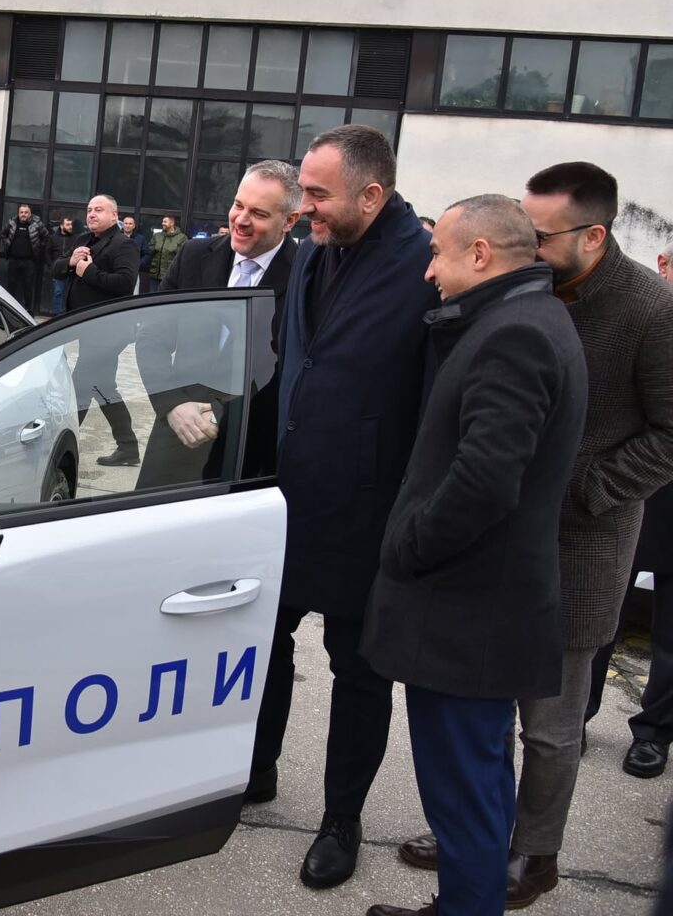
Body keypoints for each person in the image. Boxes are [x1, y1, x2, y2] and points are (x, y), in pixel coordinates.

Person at [398, 163, 673, 907]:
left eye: (542, 234)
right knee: (481, 707)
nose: (526, 241)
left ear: (594, 236)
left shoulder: (650, 309)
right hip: (502, 536)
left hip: (582, 542)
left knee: (551, 725)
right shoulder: (527, 292)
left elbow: (671, 433)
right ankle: (477, 837)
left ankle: (534, 851)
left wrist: (585, 489)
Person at [363, 195, 588, 916]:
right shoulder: (528, 316)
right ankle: (467, 902)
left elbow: (486, 480)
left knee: (464, 794)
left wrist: (408, 547)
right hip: (479, 613)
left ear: (481, 254)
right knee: (479, 785)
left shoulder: (514, 333)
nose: (429, 271)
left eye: (439, 254)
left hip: (466, 618)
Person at [255, 125, 437, 890]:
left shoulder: (425, 267)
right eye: (303, 191)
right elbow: (291, 361)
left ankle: (341, 820)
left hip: (369, 513)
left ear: (372, 194)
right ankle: (257, 769)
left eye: (318, 194)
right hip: (291, 499)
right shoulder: (313, 252)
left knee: (358, 674)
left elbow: (435, 403)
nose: (303, 207)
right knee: (265, 643)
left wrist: (413, 516)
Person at [137, 161, 301, 488]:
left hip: (251, 454)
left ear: (290, 221)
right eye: (238, 205)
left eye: (259, 213)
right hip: (179, 436)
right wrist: (173, 404)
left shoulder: (305, 276)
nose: (241, 219)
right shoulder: (193, 255)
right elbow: (152, 337)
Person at [585, 236, 673, 779]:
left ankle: (655, 732)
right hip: (627, 490)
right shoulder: (639, 314)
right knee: (598, 613)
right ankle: (576, 715)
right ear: (665, 264)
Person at [50, 194, 142, 466]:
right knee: (103, 387)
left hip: (108, 331)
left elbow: (125, 283)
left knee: (81, 385)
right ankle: (128, 447)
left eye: (98, 209)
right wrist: (70, 262)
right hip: (86, 327)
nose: (91, 214)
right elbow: (56, 269)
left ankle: (57, 450)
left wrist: (87, 271)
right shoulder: (82, 240)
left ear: (114, 216)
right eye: (89, 209)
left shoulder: (124, 245)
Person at [0, 203, 46, 313]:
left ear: (30, 213)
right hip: (14, 260)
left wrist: (38, 248)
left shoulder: (37, 223)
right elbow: (2, 234)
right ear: (18, 213)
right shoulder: (12, 222)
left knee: (28, 287)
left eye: (26, 212)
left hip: (29, 261)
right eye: (21, 212)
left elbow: (46, 236)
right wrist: (7, 243)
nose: (23, 214)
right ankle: (10, 310)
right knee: (11, 286)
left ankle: (29, 312)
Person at [46, 216, 80, 315]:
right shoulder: (53, 238)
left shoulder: (76, 238)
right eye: (67, 225)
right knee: (58, 293)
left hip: (72, 271)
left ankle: (69, 316)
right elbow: (47, 253)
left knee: (71, 294)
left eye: (71, 225)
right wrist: (52, 266)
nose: (70, 227)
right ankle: (58, 315)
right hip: (58, 271)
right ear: (61, 226)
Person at [147, 216, 186, 292]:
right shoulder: (157, 236)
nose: (162, 223)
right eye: (162, 221)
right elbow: (149, 250)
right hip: (155, 275)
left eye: (165, 222)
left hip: (169, 276)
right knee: (152, 296)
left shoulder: (182, 238)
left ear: (172, 223)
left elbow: (182, 255)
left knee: (165, 297)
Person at [125, 216, 153, 293]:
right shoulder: (117, 237)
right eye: (126, 223)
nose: (128, 225)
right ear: (123, 225)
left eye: (130, 224)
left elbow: (147, 254)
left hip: (134, 271)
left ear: (134, 226)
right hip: (117, 271)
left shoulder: (140, 239)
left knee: (134, 293)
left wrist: (138, 264)